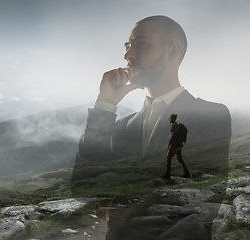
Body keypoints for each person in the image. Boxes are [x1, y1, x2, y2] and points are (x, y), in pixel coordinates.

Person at [72, 15, 231, 240]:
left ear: (172, 51)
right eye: (127, 47)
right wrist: (105, 106)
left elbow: (199, 199)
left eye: (141, 44)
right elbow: (85, 190)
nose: (128, 55)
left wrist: (116, 200)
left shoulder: (211, 115)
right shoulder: (120, 128)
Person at [161, 113, 190, 180]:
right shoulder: (177, 125)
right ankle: (186, 173)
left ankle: (167, 174)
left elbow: (173, 136)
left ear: (173, 118)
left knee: (168, 158)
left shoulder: (174, 126)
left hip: (175, 145)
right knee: (180, 159)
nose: (169, 119)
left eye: (170, 118)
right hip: (179, 144)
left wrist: (169, 144)